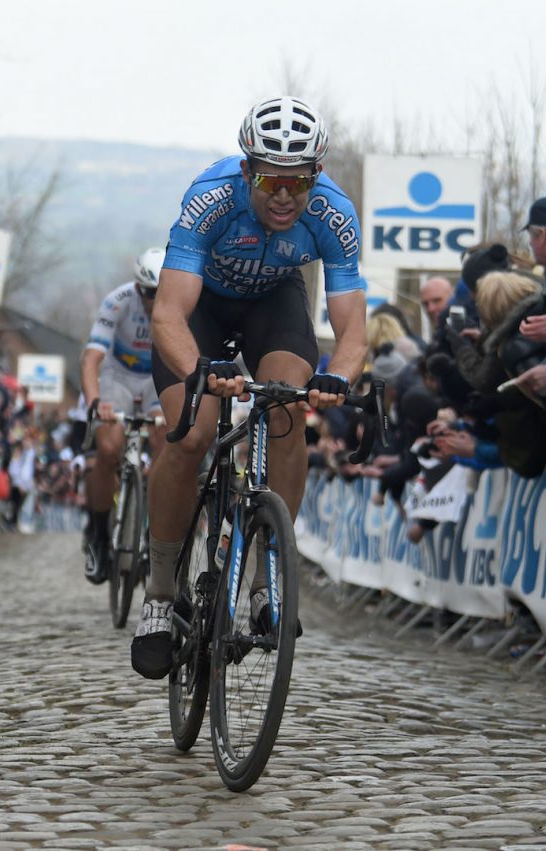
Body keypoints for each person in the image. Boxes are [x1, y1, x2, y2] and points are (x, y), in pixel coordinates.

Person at [132, 96, 368, 679]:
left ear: (316, 175)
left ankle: (264, 585)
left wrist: (338, 376)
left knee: (287, 410)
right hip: (201, 307)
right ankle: (161, 594)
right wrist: (200, 371)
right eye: (270, 180)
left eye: (299, 182)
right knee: (192, 434)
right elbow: (167, 315)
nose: (284, 196)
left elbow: (354, 329)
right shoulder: (210, 197)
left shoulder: (334, 213)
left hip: (274, 304)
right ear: (246, 172)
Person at [78, 247, 167, 584]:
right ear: (137, 287)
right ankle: (98, 537)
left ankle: (156, 535)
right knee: (109, 450)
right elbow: (91, 359)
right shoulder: (118, 301)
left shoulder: (181, 303)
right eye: (148, 294)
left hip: (157, 377)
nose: (154, 301)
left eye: (161, 294)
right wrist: (95, 401)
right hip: (118, 377)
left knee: (165, 442)